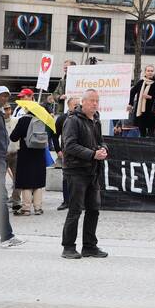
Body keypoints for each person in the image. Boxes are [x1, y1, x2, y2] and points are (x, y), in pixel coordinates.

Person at [61, 89, 109, 259]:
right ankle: (68, 247)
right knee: (75, 209)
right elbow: (69, 146)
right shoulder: (73, 120)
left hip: (93, 170)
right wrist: (92, 154)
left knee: (93, 209)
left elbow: (100, 140)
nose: (95, 104)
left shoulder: (96, 119)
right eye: (92, 101)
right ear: (84, 102)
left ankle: (89, 246)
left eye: (97, 101)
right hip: (76, 171)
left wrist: (103, 149)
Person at [0, 87, 24, 248]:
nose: (4, 98)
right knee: (0, 199)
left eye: (7, 96)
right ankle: (7, 237)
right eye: (1, 95)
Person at [9, 110, 48, 216]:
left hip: (25, 154)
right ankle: (38, 208)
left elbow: (13, 137)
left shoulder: (23, 120)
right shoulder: (42, 120)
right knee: (37, 181)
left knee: (26, 181)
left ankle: (26, 208)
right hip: (39, 154)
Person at [51, 96, 80, 210]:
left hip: (80, 152)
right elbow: (54, 135)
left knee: (80, 177)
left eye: (79, 105)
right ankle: (66, 201)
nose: (78, 107)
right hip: (66, 152)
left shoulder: (82, 117)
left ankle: (77, 201)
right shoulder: (62, 119)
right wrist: (58, 150)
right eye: (75, 105)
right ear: (69, 106)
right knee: (66, 177)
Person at [128, 65, 155, 138]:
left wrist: (150, 97)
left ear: (154, 72)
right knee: (142, 133)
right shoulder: (141, 82)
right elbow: (132, 92)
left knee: (151, 133)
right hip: (141, 112)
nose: (150, 72)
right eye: (148, 71)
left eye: (152, 71)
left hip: (152, 111)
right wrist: (130, 104)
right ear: (145, 72)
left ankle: (151, 148)